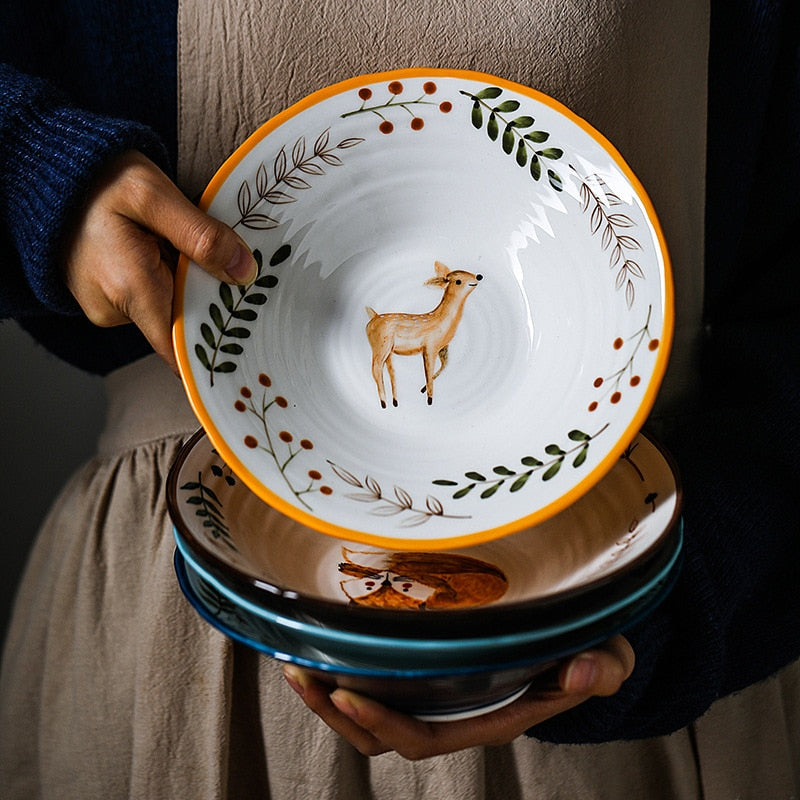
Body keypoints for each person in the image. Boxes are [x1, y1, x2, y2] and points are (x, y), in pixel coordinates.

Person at [1, 1, 798, 798]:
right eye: (456, 285)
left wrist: (678, 608)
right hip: (195, 615)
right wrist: (39, 175)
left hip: (618, 604)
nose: (462, 289)